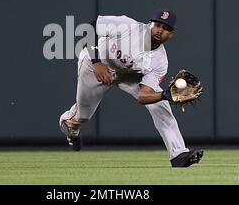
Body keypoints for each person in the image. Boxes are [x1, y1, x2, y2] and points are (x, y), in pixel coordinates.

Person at [59, 10, 203, 167]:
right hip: (95, 66)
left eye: (166, 28)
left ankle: (178, 154)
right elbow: (90, 28)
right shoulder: (127, 26)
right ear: (150, 24)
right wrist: (96, 62)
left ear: (171, 35)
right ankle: (71, 131)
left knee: (160, 105)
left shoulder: (160, 62)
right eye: (157, 25)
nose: (160, 30)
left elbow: (143, 96)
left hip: (127, 76)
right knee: (82, 116)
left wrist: (165, 94)